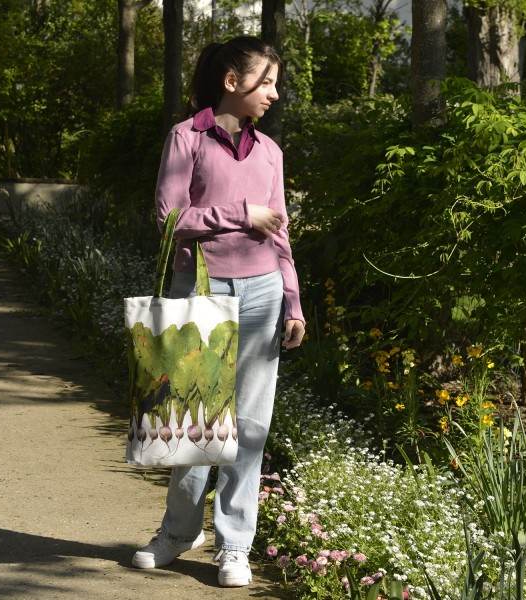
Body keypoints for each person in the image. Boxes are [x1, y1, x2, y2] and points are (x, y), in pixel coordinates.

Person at [130, 35, 306, 588]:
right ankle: (179, 532)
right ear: (233, 82)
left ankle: (235, 545)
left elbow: (280, 235)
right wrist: (239, 214)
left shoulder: (271, 152)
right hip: (200, 289)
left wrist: (293, 298)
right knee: (195, 422)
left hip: (262, 294)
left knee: (250, 427)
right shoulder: (187, 137)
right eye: (267, 81)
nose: (274, 93)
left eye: (276, 82)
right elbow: (168, 219)